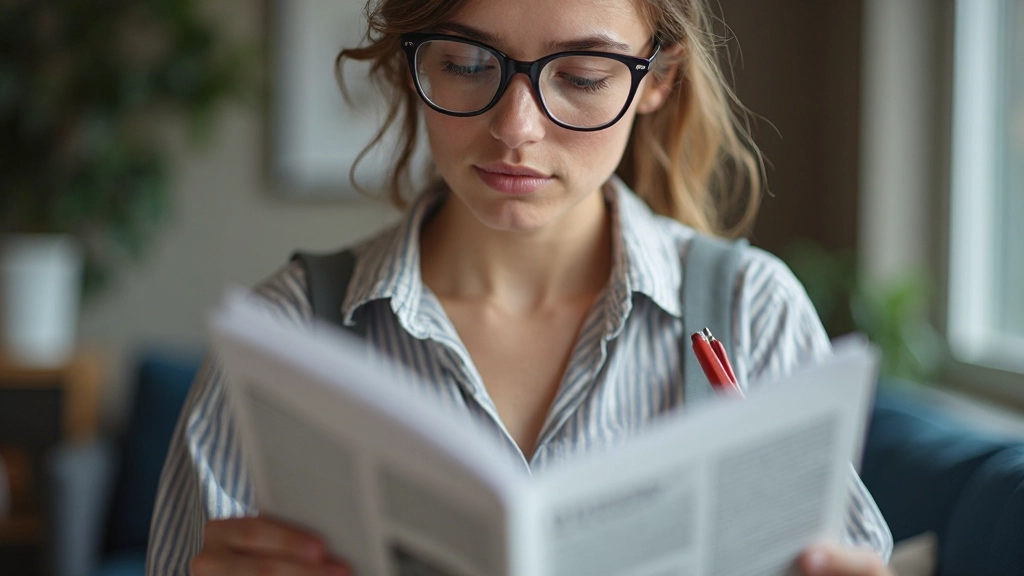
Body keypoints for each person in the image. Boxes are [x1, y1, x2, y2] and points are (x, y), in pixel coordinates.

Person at [147, 0, 895, 574]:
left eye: (582, 76)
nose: (516, 127)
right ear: (415, 61)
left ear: (658, 80)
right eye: (468, 64)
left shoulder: (751, 314)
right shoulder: (284, 338)